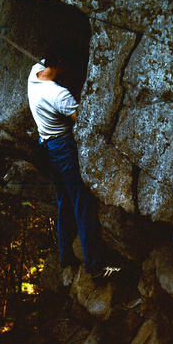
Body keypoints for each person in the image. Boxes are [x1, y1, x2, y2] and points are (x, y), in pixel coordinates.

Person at [27, 48, 120, 279]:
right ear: (59, 63)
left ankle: (65, 256)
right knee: (81, 202)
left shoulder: (34, 72)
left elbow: (43, 63)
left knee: (63, 201)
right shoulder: (59, 95)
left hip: (46, 146)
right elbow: (82, 120)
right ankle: (94, 265)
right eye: (66, 66)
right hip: (63, 147)